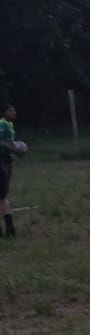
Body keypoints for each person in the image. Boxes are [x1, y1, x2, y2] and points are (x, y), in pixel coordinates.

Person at [0, 102, 18, 238]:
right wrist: (12, 147)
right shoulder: (1, 123)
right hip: (2, 157)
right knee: (2, 195)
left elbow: (10, 141)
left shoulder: (10, 124)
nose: (14, 112)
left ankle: (9, 229)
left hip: (7, 158)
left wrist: (16, 147)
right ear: (4, 112)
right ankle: (9, 229)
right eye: (11, 111)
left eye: (14, 110)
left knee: (3, 192)